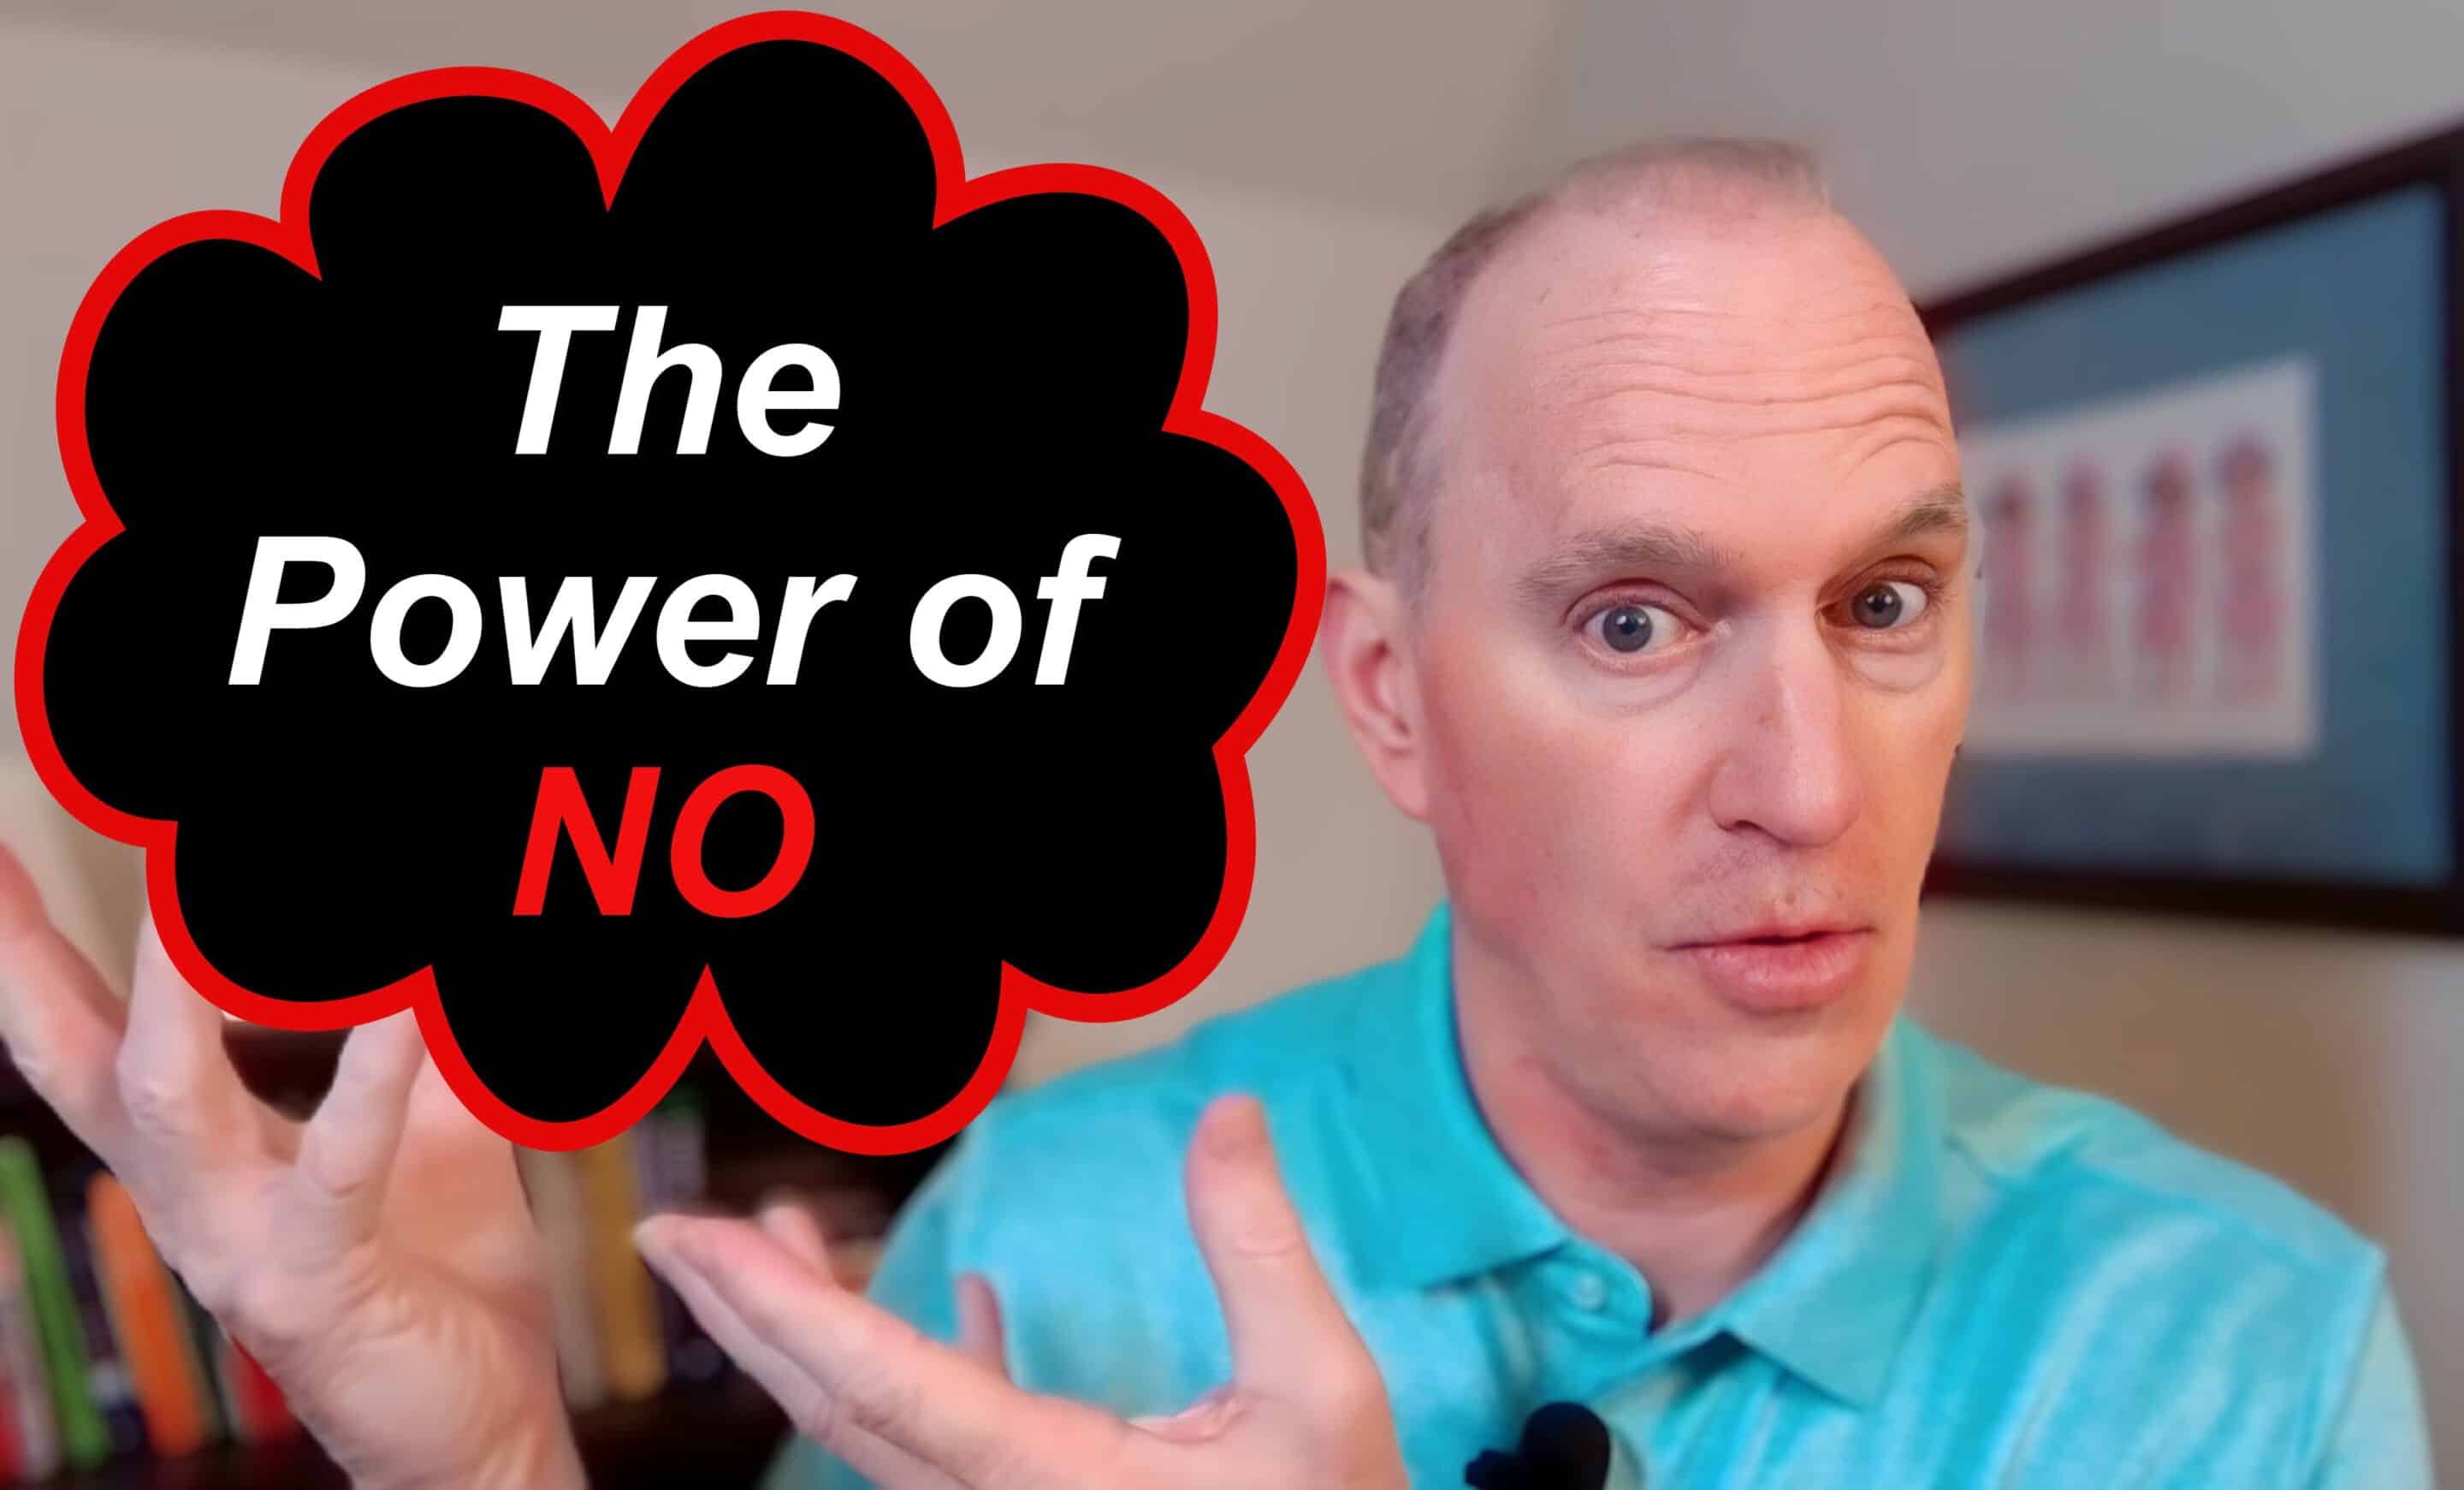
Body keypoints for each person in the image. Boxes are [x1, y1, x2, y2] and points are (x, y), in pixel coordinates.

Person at [0, 140, 2432, 1488]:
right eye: (1634, 621)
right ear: (1390, 698)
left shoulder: (2249, 1351)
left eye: (1886, 605)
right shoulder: (1044, 1238)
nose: (1813, 788)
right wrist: (494, 1478)